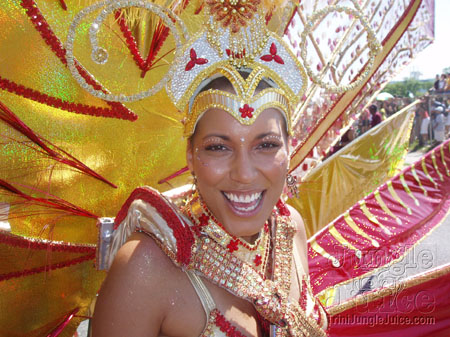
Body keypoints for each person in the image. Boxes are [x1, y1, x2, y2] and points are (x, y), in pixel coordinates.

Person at [91, 2, 328, 337]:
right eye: (219, 147)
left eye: (266, 145)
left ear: (291, 149)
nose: (244, 173)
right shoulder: (146, 268)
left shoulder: (290, 228)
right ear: (190, 155)